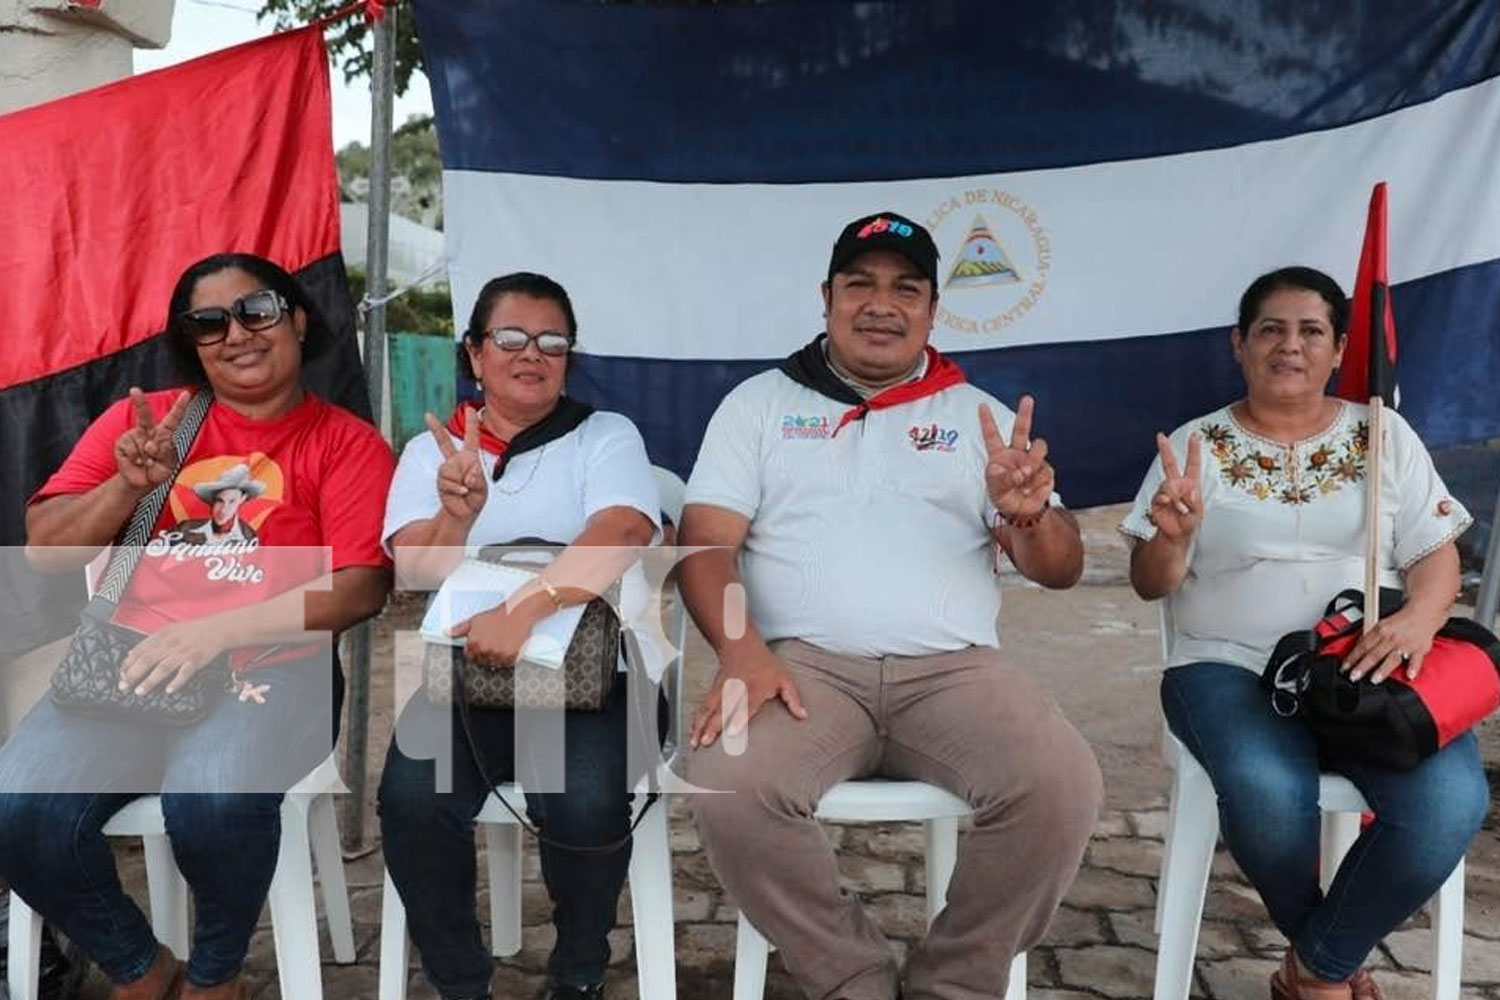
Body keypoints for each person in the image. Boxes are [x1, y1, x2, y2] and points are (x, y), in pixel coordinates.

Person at [680, 211, 1103, 1000]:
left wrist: (1028, 514)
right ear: (827, 297)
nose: (882, 305)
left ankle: (954, 983)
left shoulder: (975, 415)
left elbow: (1059, 569)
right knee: (730, 784)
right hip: (801, 672)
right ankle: (854, 979)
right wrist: (742, 652)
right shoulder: (760, 405)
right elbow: (704, 543)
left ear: (933, 311)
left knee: (1061, 784)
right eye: (860, 285)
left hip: (954, 675)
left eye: (905, 289)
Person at [0, 252, 394, 1000]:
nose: (236, 334)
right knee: (17, 813)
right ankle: (142, 968)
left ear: (298, 319)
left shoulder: (344, 443)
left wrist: (217, 632)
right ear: (191, 342)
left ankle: (215, 978)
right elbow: (49, 550)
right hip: (125, 669)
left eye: (257, 311)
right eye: (209, 323)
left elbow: (361, 587)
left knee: (211, 800)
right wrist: (126, 486)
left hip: (273, 670)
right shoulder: (146, 427)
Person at [1121, 266, 1488, 1000]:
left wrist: (1419, 618)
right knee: (1265, 792)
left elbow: (1435, 555)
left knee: (1447, 806)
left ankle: (1313, 970)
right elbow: (1150, 581)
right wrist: (1173, 535)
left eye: (1310, 331)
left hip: (1364, 668)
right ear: (1239, 344)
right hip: (1226, 668)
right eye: (1270, 330)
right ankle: (1333, 971)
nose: (1290, 346)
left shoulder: (1382, 432)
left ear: (1338, 346)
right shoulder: (1199, 445)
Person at [378, 272, 665, 1000]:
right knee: (412, 800)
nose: (530, 353)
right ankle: (461, 981)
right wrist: (458, 515)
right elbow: (414, 569)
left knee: (584, 799)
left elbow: (624, 528)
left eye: (552, 342)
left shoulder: (606, 436)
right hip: (469, 680)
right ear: (475, 354)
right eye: (509, 338)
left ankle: (576, 974)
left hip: (599, 681)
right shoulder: (431, 454)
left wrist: (528, 605)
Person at [176, 464, 265, 544]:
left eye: (231, 501)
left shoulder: (249, 538)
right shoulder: (185, 529)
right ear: (212, 501)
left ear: (242, 499)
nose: (223, 510)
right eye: (219, 501)